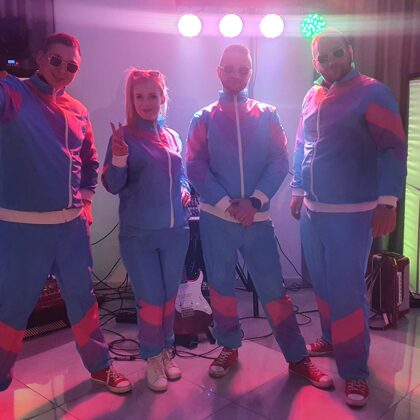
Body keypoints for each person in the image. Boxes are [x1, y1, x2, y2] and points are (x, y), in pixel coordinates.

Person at [186, 44, 332, 389]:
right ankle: (228, 347)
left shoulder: (267, 114)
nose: (236, 74)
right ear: (219, 71)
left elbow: (280, 160)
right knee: (221, 289)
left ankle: (297, 357)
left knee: (273, 292)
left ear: (250, 73)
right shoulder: (203, 117)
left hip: (257, 220)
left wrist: (254, 202)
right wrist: (228, 204)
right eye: (229, 68)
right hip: (216, 220)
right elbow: (194, 165)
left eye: (243, 69)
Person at [0, 33, 131, 393]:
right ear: (40, 57)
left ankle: (101, 367)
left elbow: (89, 162)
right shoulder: (13, 93)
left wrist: (85, 203)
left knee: (83, 301)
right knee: (12, 308)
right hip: (21, 229)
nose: (62, 70)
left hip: (71, 230)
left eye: (71, 66)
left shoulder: (78, 109)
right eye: (56, 60)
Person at [290, 30, 407, 407]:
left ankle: (355, 370)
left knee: (347, 292)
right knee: (322, 284)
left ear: (350, 52)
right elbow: (302, 144)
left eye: (336, 53)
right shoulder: (312, 95)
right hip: (313, 212)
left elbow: (392, 148)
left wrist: (387, 202)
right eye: (322, 57)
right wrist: (297, 190)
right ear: (314, 61)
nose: (330, 62)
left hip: (352, 214)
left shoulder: (373, 92)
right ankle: (330, 337)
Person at [102, 68, 191, 392]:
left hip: (175, 233)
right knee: (150, 299)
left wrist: (185, 189)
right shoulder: (123, 137)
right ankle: (152, 356)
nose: (146, 102)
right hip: (139, 235)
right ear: (131, 100)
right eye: (139, 96)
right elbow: (112, 184)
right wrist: (119, 157)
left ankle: (166, 349)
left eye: (152, 95)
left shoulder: (173, 136)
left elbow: (181, 174)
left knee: (168, 298)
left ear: (162, 97)